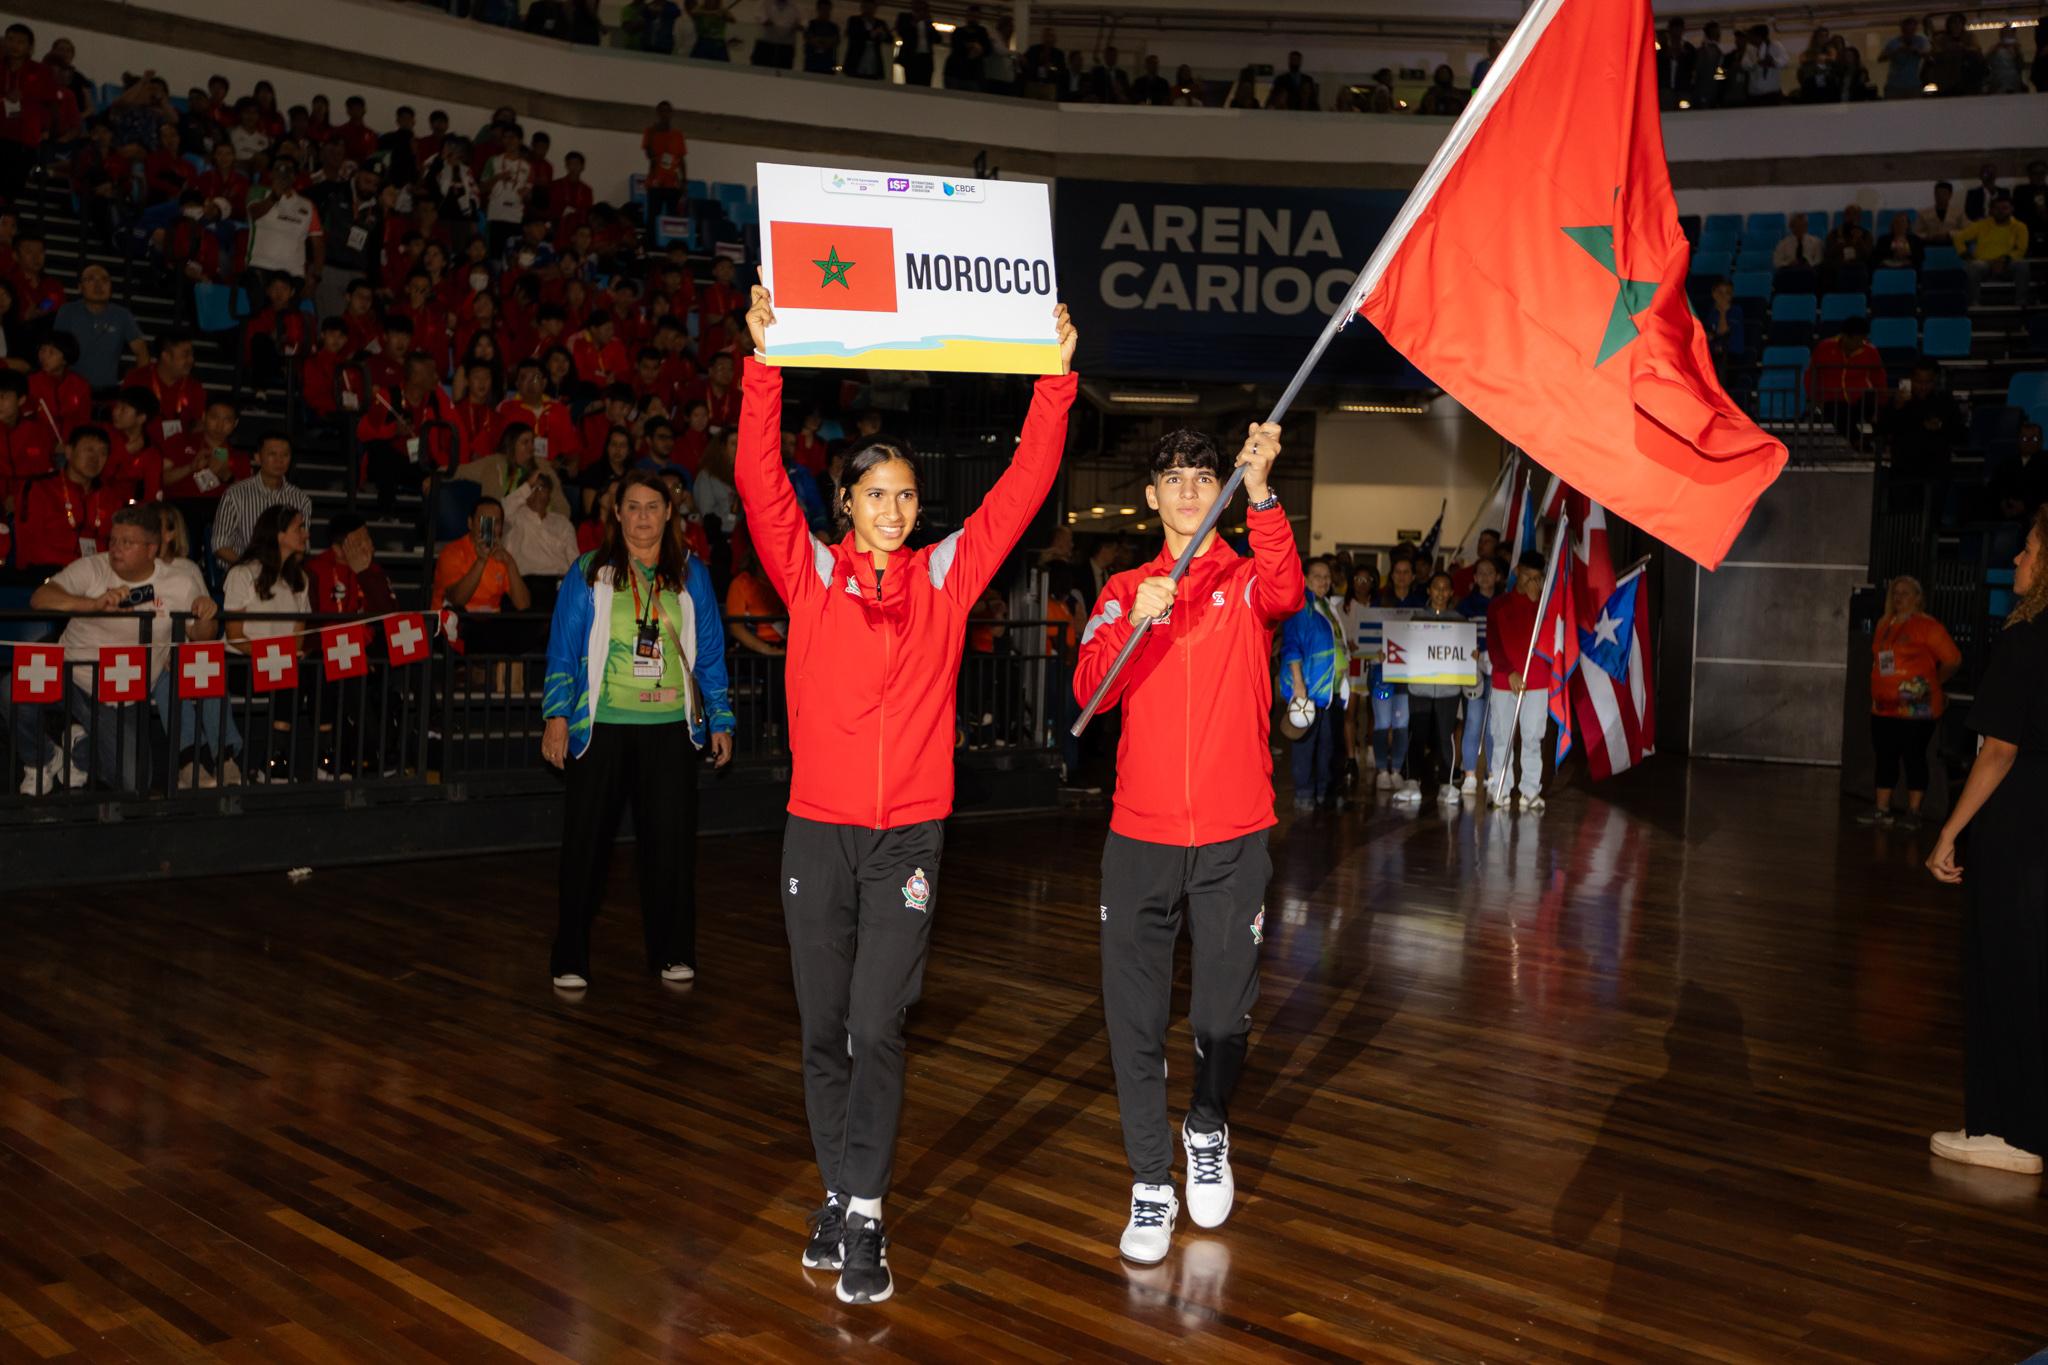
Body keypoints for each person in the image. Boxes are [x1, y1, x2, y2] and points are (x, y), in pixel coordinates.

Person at [736, 286, 1076, 1305]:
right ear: (845, 502)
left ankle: (867, 1214)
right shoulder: (808, 576)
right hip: (817, 834)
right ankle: (838, 1192)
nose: (893, 510)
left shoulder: (945, 578)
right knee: (822, 1028)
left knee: (876, 1023)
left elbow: (1020, 489)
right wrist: (763, 370)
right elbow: (758, 483)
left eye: (906, 495)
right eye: (875, 494)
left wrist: (1053, 385)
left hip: (908, 840)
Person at [1071, 419, 1296, 1265]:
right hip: (1142, 837)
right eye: (1173, 477)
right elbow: (1090, 692)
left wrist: (1264, 494)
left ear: (1221, 490)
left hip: (1236, 832)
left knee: (1220, 1014)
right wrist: (1135, 621)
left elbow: (1287, 592)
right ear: (1151, 495)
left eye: (1204, 476)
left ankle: (1207, 1124)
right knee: (1134, 1017)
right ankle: (1149, 1180)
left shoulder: (1245, 576)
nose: (1190, 489)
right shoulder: (1124, 588)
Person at [540, 468, 733, 988]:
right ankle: (570, 956)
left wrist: (721, 718)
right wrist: (557, 716)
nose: (642, 516)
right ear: (617, 513)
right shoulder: (589, 571)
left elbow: (710, 654)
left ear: (669, 513)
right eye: (633, 506)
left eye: (653, 506)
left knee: (670, 847)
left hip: (671, 731)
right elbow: (563, 651)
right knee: (585, 846)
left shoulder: (692, 574)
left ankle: (673, 952)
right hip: (600, 729)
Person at [1924, 507, 2048, 1176]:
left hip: (2020, 824)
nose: (2017, 561)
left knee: (2005, 969)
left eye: (2028, 550)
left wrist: (1950, 831)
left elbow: (1999, 750)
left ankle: (2010, 1131)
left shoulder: (2026, 637)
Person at [14, 505, 218, 795]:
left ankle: (80, 749)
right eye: (113, 540)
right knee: (11, 690)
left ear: (151, 549)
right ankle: (43, 758)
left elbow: (202, 635)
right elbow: (40, 598)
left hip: (119, 693)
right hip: (68, 669)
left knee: (133, 782)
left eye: (127, 542)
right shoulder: (92, 567)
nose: (116, 549)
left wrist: (206, 614)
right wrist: (92, 605)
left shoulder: (178, 583)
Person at [222, 503, 316, 780]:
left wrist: (285, 655)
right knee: (288, 673)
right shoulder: (242, 574)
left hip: (279, 663)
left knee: (314, 669)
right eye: (299, 527)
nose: (306, 534)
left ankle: (281, 757)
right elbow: (235, 635)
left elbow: (298, 635)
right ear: (278, 534)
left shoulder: (300, 579)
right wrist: (275, 655)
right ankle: (275, 759)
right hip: (242, 662)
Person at [1858, 575, 1960, 829]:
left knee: (1914, 756)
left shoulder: (1928, 626)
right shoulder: (1884, 623)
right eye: (1895, 592)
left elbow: (1953, 659)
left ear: (1917, 598)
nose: (1898, 597)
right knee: (1885, 756)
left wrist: (1934, 682)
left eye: (1905, 593)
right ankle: (1882, 809)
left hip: (1916, 706)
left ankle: (1914, 812)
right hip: (1883, 706)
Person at [1278, 556, 1348, 811]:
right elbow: (1291, 646)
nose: (1324, 581)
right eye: (1317, 576)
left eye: (1327, 576)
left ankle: (1322, 791)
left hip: (1330, 690)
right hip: (1308, 688)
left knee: (1327, 745)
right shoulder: (1300, 607)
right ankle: (1304, 793)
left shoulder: (1326, 606)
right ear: (1305, 579)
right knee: (1306, 744)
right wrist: (1298, 683)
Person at [1485, 550, 1551, 809]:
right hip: (1505, 680)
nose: (1530, 582)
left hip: (1537, 680)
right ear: (1516, 572)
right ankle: (1501, 787)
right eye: (1526, 576)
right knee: (1502, 736)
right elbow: (1494, 643)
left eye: (1536, 578)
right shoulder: (1499, 605)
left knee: (1533, 737)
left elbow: (1551, 638)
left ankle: (1530, 790)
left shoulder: (1546, 606)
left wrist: (1537, 604)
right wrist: (1508, 670)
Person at [1407, 572, 1468, 805]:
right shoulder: (1415, 619)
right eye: (1436, 587)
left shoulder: (1460, 621)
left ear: (1451, 593)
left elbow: (1464, 653)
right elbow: (1405, 650)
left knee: (1446, 735)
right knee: (1417, 733)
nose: (1440, 592)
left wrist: (1470, 655)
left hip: (1449, 689)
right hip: (1419, 687)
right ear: (1429, 590)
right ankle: (1412, 781)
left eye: (1445, 588)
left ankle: (1446, 783)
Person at [213, 435, 312, 571]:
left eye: (285, 455)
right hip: (243, 570)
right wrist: (252, 568)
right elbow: (220, 546)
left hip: (283, 572)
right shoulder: (235, 494)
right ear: (258, 458)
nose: (279, 460)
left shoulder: (300, 499)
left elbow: (301, 548)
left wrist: (280, 570)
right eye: (272, 454)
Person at [54, 264, 149, 391]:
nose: (98, 285)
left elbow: (141, 351)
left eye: (104, 280)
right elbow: (55, 352)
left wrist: (136, 387)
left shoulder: (122, 315)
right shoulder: (67, 311)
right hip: (72, 390)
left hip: (108, 391)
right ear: (80, 287)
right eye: (91, 279)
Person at [1455, 557, 1502, 794]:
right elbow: (1456, 635)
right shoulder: (1465, 605)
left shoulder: (1503, 603)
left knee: (1493, 724)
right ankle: (1470, 775)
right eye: (1480, 573)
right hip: (1473, 669)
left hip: (1498, 669)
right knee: (1473, 721)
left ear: (1498, 577)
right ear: (1474, 578)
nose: (1485, 577)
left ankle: (1492, 773)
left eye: (1489, 572)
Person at [1953, 193, 2032, 307]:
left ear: (2012, 209)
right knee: (1974, 266)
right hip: (1984, 264)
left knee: (2022, 265)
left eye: (2004, 208)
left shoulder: (2020, 227)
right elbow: (1958, 238)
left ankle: (2021, 302)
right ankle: (1974, 303)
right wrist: (1966, 256)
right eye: (1997, 208)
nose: (2000, 211)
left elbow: (2021, 249)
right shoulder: (1981, 224)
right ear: (1992, 210)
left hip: (2007, 263)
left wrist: (2003, 260)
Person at [1880, 16, 1930, 98]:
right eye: (1907, 30)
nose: (1909, 33)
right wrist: (1896, 51)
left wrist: (1916, 51)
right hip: (1894, 85)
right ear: (1902, 30)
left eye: (1912, 30)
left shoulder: (1920, 41)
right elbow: (1881, 58)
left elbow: (1928, 57)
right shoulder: (1893, 42)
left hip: (1913, 84)